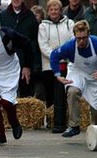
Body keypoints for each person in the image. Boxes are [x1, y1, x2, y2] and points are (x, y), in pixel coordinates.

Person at [51, 20, 97, 137]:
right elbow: (54, 55)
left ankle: (95, 129)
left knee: (96, 108)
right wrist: (58, 75)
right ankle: (74, 126)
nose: (81, 41)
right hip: (78, 71)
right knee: (72, 91)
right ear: (74, 36)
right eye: (78, 38)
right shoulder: (70, 46)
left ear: (88, 34)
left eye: (84, 38)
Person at [38, 0, 74, 133]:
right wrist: (56, 56)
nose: (54, 12)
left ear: (60, 10)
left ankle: (63, 122)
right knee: (51, 94)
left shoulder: (69, 23)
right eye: (51, 9)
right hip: (49, 65)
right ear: (48, 11)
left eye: (56, 9)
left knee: (64, 93)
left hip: (67, 63)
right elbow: (43, 45)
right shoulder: (43, 26)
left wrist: (65, 55)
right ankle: (51, 122)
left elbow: (72, 40)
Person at [0, 0, 40, 98]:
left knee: (26, 96)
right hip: (6, 64)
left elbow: (34, 43)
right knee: (7, 96)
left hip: (25, 63)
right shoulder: (2, 16)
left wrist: (28, 65)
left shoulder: (30, 16)